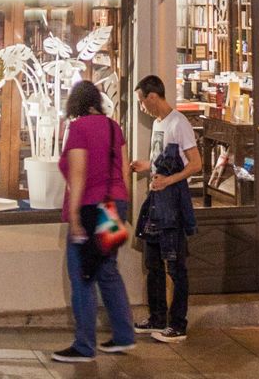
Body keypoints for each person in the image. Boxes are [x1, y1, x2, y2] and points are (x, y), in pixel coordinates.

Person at [53, 79, 135, 364]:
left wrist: (74, 216)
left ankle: (84, 345)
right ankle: (124, 334)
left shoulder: (78, 128)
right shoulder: (114, 127)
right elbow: (124, 172)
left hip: (89, 207)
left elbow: (78, 174)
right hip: (113, 205)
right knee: (107, 270)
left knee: (82, 274)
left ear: (75, 104)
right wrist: (121, 210)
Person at [130, 74, 201, 345]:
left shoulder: (178, 124)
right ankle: (157, 318)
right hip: (156, 200)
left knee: (175, 266)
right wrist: (147, 165)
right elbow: (165, 160)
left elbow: (195, 164)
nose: (141, 107)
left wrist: (168, 180)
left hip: (172, 202)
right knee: (152, 261)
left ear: (152, 96)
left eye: (141, 101)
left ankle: (178, 325)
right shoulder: (159, 123)